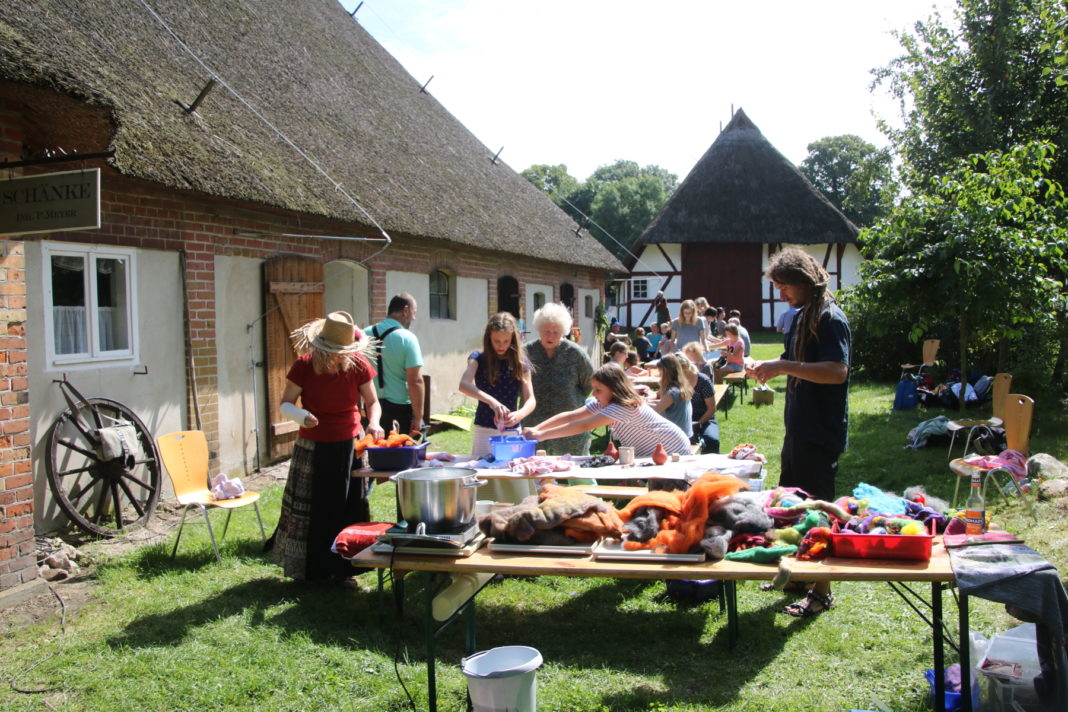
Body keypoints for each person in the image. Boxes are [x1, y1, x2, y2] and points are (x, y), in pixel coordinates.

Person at [747, 247, 851, 617]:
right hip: (798, 429)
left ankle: (822, 593)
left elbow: (837, 371)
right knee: (791, 505)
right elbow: (796, 366)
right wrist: (769, 367)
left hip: (820, 432)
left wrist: (784, 365)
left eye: (784, 286)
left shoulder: (830, 318)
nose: (780, 294)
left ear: (803, 282)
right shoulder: (802, 315)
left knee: (817, 513)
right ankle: (797, 575)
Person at [273, 311, 383, 586]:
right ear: (322, 347)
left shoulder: (357, 364)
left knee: (349, 505)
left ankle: (345, 570)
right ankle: (312, 571)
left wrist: (375, 423)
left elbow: (372, 402)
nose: (339, 357)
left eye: (343, 351)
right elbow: (285, 403)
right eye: (335, 352)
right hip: (314, 445)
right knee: (315, 508)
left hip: (350, 444)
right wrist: (303, 417)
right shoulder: (304, 365)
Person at [523, 363, 690, 459]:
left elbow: (583, 425)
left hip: (674, 449)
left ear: (614, 389)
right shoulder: (603, 403)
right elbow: (571, 416)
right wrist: (537, 429)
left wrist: (542, 436)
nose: (593, 394)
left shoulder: (623, 407)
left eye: (598, 390)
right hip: (657, 451)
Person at [459, 312, 537, 503]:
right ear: (489, 338)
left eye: (506, 341)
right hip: (484, 430)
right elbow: (464, 384)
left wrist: (519, 415)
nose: (501, 346)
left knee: (513, 486)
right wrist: (492, 402)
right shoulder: (478, 358)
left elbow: (531, 400)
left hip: (510, 434)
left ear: (513, 339)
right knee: (483, 484)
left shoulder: (520, 363)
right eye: (496, 341)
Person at [526, 302, 596, 458]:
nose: (550, 336)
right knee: (535, 472)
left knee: (574, 473)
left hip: (570, 427)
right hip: (535, 423)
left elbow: (589, 384)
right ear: (539, 329)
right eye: (546, 331)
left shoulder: (576, 354)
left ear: (563, 331)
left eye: (555, 332)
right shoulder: (527, 352)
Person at [371, 294, 425, 437]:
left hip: (371, 407)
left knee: (375, 455)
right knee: (401, 456)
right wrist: (418, 417)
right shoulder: (408, 338)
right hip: (399, 410)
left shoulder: (364, 335)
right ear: (405, 311)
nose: (413, 318)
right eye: (414, 313)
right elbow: (415, 381)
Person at [678, 354, 719, 453]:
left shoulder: (703, 381)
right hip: (681, 419)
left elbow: (711, 409)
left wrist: (698, 423)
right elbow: (660, 395)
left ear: (685, 367)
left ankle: (712, 466)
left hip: (705, 419)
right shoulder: (675, 381)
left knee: (712, 440)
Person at [649, 353, 693, 439]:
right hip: (686, 434)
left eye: (660, 372)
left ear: (667, 372)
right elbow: (664, 404)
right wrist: (646, 402)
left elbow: (654, 413)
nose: (659, 375)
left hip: (677, 438)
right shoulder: (681, 387)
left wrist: (641, 405)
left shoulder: (672, 392)